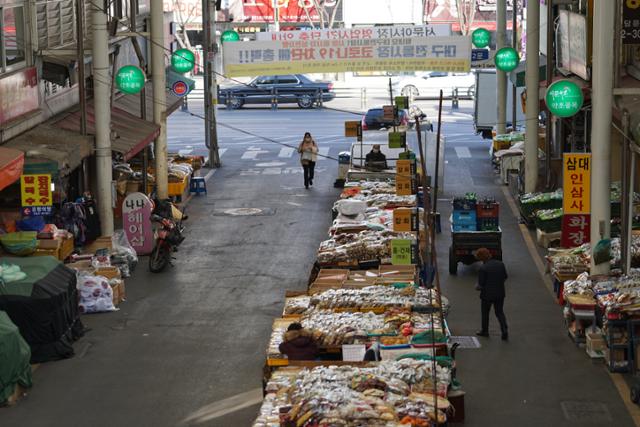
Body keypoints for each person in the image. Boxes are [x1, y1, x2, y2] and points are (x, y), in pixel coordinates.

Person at [475, 247, 509, 341]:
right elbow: (505, 277)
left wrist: (477, 287)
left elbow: (481, 285)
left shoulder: (483, 268)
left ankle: (485, 331)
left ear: (481, 258)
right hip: (500, 293)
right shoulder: (500, 264)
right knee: (499, 312)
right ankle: (504, 329)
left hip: (487, 295)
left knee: (485, 313)